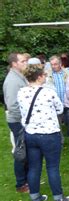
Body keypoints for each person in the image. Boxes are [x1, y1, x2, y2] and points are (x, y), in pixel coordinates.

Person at [17, 64, 69, 201]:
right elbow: (60, 108)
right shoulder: (48, 92)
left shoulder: (21, 92)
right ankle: (59, 199)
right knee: (52, 167)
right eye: (44, 75)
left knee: (34, 167)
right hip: (49, 134)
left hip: (30, 134)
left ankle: (35, 198)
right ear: (40, 77)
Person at [3, 52, 29, 193]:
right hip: (18, 121)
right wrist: (27, 117)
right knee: (21, 152)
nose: (25, 63)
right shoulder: (13, 80)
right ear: (14, 64)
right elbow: (12, 105)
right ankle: (21, 184)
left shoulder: (19, 76)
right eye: (22, 61)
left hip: (23, 120)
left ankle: (26, 180)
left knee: (27, 151)